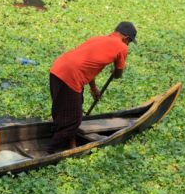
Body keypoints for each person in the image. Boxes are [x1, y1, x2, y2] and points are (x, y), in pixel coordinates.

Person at [49, 21, 137, 149]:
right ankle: (52, 150)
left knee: (62, 109)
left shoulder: (97, 39)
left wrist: (94, 88)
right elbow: (118, 74)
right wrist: (117, 70)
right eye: (129, 42)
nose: (128, 44)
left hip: (57, 69)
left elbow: (88, 66)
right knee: (73, 121)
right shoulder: (122, 47)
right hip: (71, 76)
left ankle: (70, 143)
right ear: (127, 38)